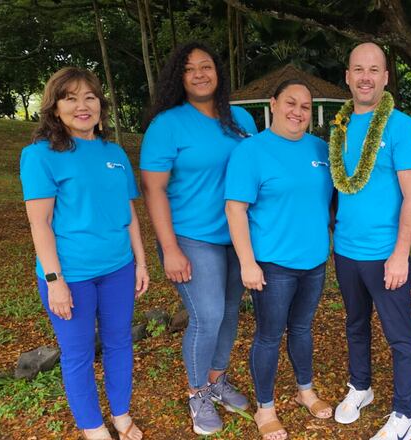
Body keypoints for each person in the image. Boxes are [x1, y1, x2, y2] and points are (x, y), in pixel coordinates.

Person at [20, 67, 149, 440]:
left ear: (100, 105)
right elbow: (40, 225)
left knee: (119, 342)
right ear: (55, 107)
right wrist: (54, 281)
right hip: (70, 273)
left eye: (90, 97)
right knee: (77, 354)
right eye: (71, 98)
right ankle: (93, 427)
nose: (82, 106)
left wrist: (140, 262)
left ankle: (121, 415)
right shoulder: (40, 156)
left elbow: (129, 216)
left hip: (118, 269)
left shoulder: (115, 152)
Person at [139, 42, 257, 436]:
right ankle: (197, 393)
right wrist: (169, 248)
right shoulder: (167, 124)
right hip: (191, 236)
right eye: (190, 69)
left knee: (228, 314)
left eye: (207, 66)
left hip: (237, 237)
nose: (200, 74)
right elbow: (154, 190)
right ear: (180, 77)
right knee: (207, 317)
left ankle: (217, 380)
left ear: (218, 72)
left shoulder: (240, 118)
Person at [224, 79, 333, 440]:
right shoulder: (251, 151)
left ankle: (305, 391)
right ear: (273, 104)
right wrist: (247, 263)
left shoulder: (320, 148)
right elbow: (235, 209)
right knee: (269, 335)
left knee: (302, 329)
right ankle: (265, 409)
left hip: (315, 261)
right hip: (272, 264)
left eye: (304, 106)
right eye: (290, 103)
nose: (297, 112)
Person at [330, 42, 411, 440]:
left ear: (385, 78)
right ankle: (361, 387)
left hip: (386, 253)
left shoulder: (400, 126)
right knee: (355, 324)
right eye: (358, 69)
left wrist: (401, 253)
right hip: (346, 250)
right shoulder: (339, 126)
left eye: (374, 70)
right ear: (348, 77)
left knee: (400, 336)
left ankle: (405, 414)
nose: (365, 77)